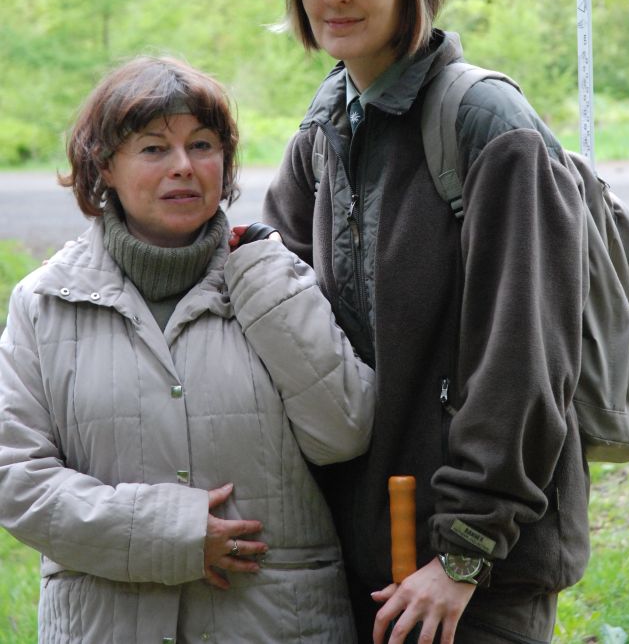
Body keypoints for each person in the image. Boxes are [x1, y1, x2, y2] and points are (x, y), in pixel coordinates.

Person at [254, 0, 590, 644]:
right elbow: (272, 308)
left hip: (472, 576)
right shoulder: (323, 130)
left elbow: (527, 357)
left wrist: (464, 551)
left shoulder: (487, 124)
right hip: (358, 555)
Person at [0, 55, 375, 644]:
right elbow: (15, 477)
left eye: (202, 145)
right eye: (153, 148)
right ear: (105, 166)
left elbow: (345, 432)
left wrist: (268, 286)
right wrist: (169, 533)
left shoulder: (275, 277)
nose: (183, 166)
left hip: (276, 626)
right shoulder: (44, 301)